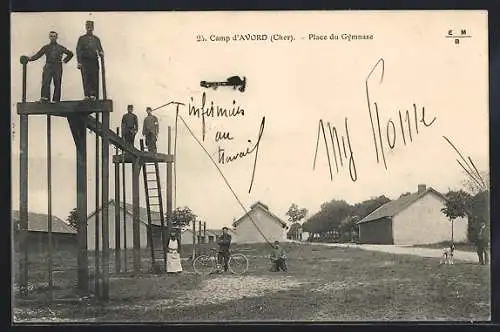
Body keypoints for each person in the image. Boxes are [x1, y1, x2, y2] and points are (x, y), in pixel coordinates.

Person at [24, 31, 73, 103]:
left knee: (57, 83)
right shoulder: (46, 47)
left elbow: (70, 54)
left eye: (54, 36)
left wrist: (64, 61)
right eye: (51, 36)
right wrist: (29, 59)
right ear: (49, 37)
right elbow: (38, 55)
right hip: (48, 66)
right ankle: (44, 98)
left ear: (56, 37)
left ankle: (56, 100)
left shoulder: (60, 48)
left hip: (57, 67)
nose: (52, 38)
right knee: (45, 82)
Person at [76, 20, 104, 100]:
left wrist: (101, 53)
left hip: (94, 61)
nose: (89, 28)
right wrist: (79, 62)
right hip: (85, 61)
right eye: (88, 26)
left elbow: (100, 49)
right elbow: (78, 50)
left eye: (91, 26)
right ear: (85, 27)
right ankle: (87, 95)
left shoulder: (96, 39)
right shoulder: (82, 38)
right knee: (86, 78)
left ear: (93, 28)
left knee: (94, 78)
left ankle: (93, 95)